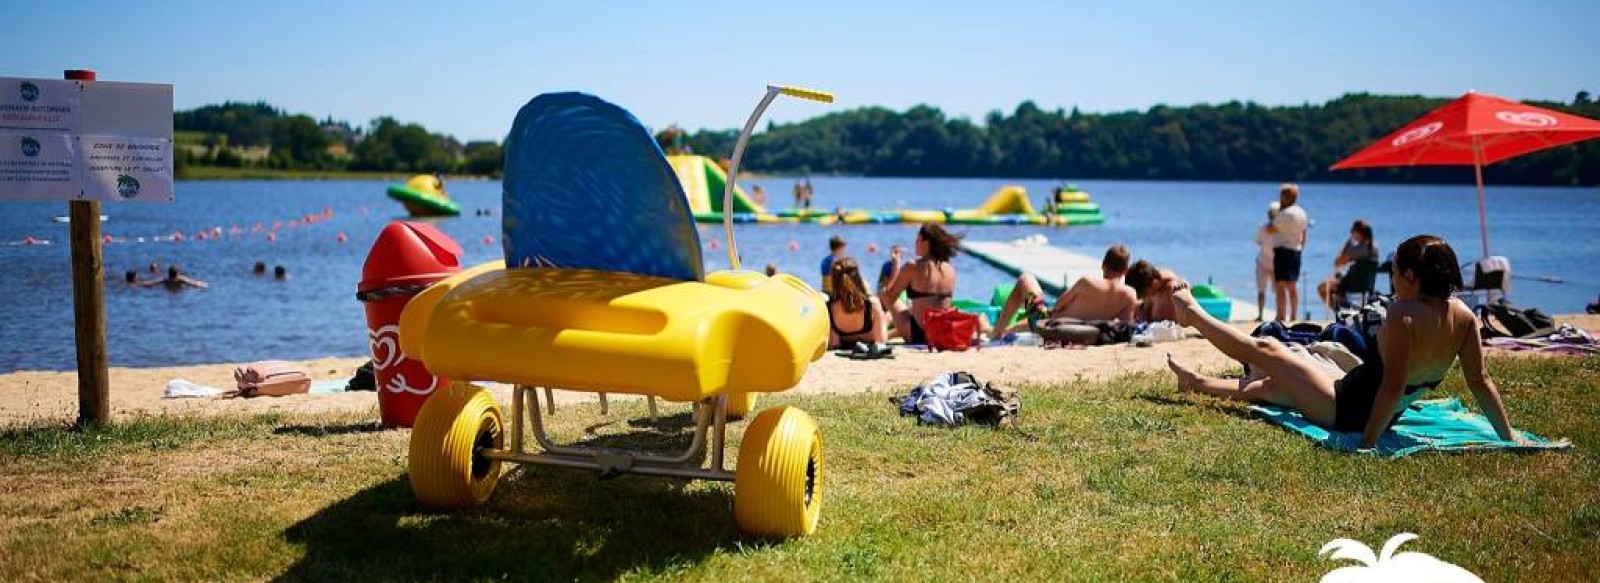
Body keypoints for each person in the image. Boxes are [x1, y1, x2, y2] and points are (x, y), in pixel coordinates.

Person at [1166, 235, 1528, 448]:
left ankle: (1193, 314)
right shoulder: (1464, 316)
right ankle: (1195, 383)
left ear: (1411, 275)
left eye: (1396, 274)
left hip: (1343, 410)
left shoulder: (1403, 314)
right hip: (1370, 408)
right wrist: (1507, 435)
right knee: (1273, 386)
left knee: (1268, 350)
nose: (1393, 283)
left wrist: (1367, 445)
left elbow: (1392, 386)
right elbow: (1480, 381)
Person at [992, 244, 1139, 336]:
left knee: (1025, 279)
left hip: (1052, 327)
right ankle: (1005, 331)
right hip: (1084, 333)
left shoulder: (1087, 282)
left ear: (1103, 265)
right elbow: (1124, 325)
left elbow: (1058, 305)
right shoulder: (1130, 295)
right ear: (1125, 271)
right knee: (1028, 323)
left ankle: (996, 333)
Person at [880, 224, 985, 343]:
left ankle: (884, 332)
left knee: (885, 295)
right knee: (911, 308)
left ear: (926, 243)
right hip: (942, 331)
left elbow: (889, 296)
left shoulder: (912, 266)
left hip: (919, 334)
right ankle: (890, 332)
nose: (915, 242)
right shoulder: (950, 269)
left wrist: (895, 266)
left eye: (918, 239)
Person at [826, 258, 890, 355]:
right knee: (886, 316)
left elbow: (834, 343)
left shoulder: (830, 306)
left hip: (845, 340)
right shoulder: (871, 304)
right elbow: (881, 342)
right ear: (858, 277)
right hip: (869, 334)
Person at [1266, 183, 1309, 321]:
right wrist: (1301, 246)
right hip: (1296, 250)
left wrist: (1277, 212)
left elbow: (1271, 229)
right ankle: (1294, 315)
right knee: (1292, 286)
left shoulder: (1284, 213)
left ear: (1285, 197)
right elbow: (1304, 233)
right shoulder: (1302, 212)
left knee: (1280, 287)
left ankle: (1280, 315)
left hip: (1282, 251)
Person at [1317, 220, 1379, 312]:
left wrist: (1347, 243)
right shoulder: (1373, 247)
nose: (1351, 233)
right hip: (1366, 285)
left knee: (1322, 287)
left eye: (1352, 231)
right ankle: (1345, 309)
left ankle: (1340, 312)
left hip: (1353, 285)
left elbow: (1337, 262)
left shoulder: (1358, 249)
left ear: (1358, 232)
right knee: (1338, 283)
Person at [1123, 260, 1188, 322]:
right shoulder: (1152, 276)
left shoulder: (1170, 288)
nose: (1146, 296)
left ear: (1154, 283)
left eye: (1146, 294)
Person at [1253, 203, 1279, 321]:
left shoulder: (1281, 229)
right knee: (1261, 290)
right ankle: (1260, 315)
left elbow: (1258, 242)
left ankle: (1279, 315)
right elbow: (1258, 241)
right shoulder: (1263, 227)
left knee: (1278, 291)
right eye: (1270, 213)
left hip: (1275, 263)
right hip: (1263, 262)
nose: (1271, 215)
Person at [139, 265, 208, 290]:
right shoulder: (181, 279)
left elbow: (151, 283)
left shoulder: (165, 280)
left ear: (168, 273)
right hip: (178, 292)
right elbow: (194, 284)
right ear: (178, 273)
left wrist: (138, 284)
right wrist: (205, 284)